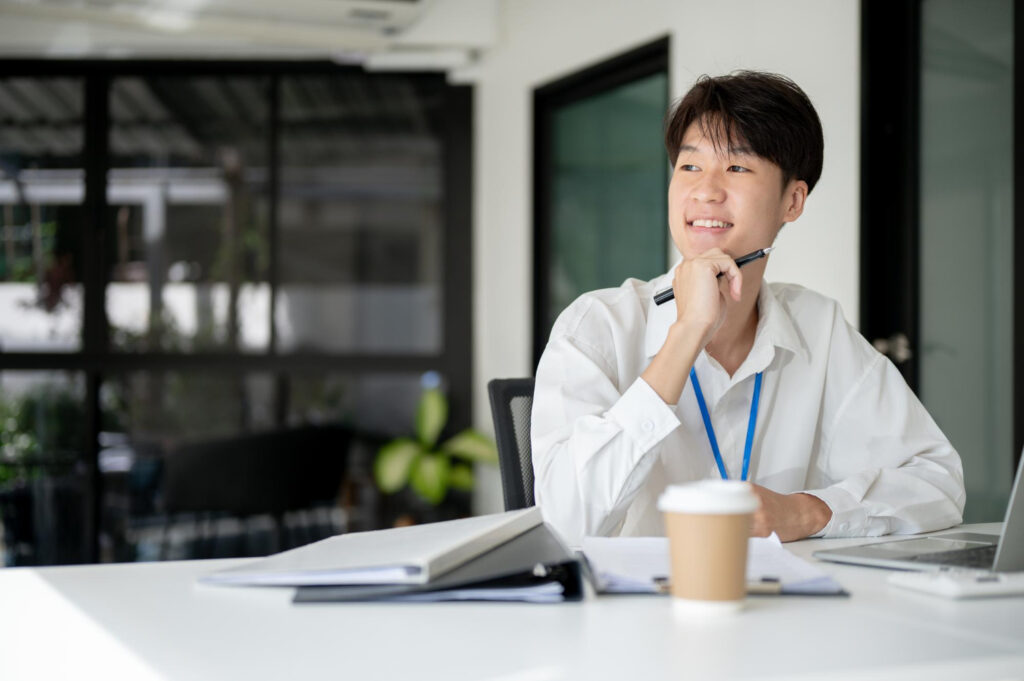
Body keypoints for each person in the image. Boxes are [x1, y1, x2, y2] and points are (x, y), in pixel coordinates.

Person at [531, 71, 965, 548]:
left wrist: (803, 512)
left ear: (792, 201)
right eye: (690, 167)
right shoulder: (596, 327)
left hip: (781, 610)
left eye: (737, 169)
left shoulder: (818, 328)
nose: (706, 191)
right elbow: (563, 524)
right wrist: (687, 332)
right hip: (634, 614)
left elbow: (936, 481)